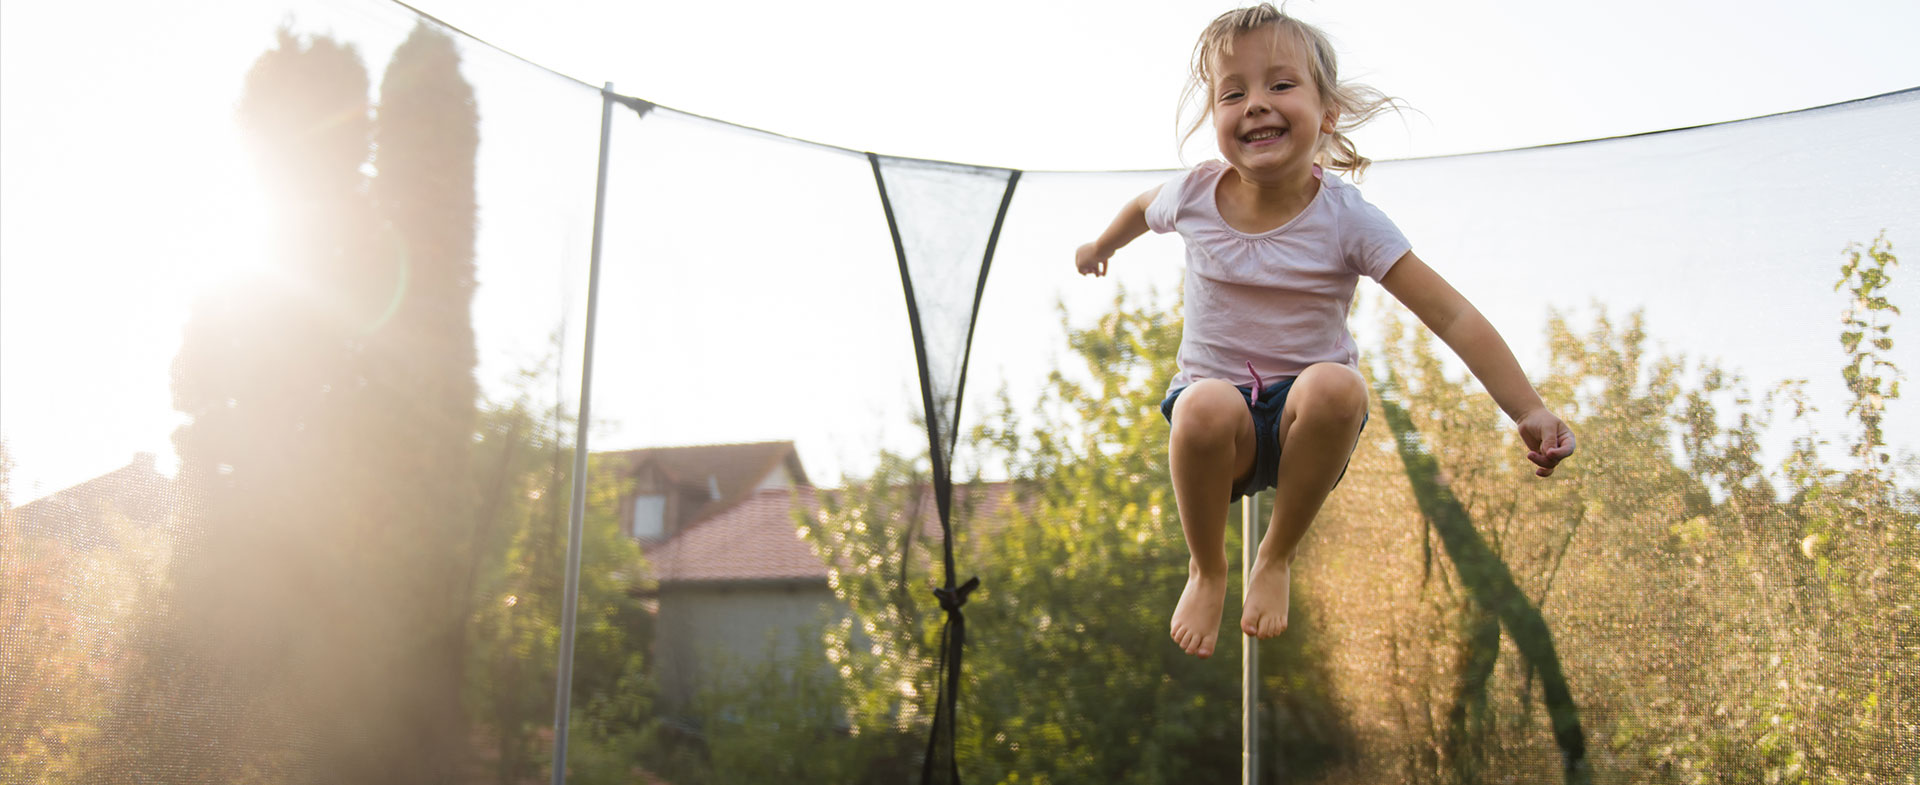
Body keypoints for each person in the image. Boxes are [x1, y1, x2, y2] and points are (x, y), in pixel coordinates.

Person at [1075, 3, 1575, 659]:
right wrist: (1100, 245)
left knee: (1338, 385)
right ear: (1215, 116)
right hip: (1221, 433)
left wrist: (1528, 407)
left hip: (1301, 429)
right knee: (1201, 401)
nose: (1255, 104)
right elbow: (1143, 207)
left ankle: (1275, 555)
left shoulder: (1348, 220)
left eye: (1279, 85)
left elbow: (1452, 314)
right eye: (1234, 92)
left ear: (1328, 114)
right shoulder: (1194, 193)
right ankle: (1207, 567)